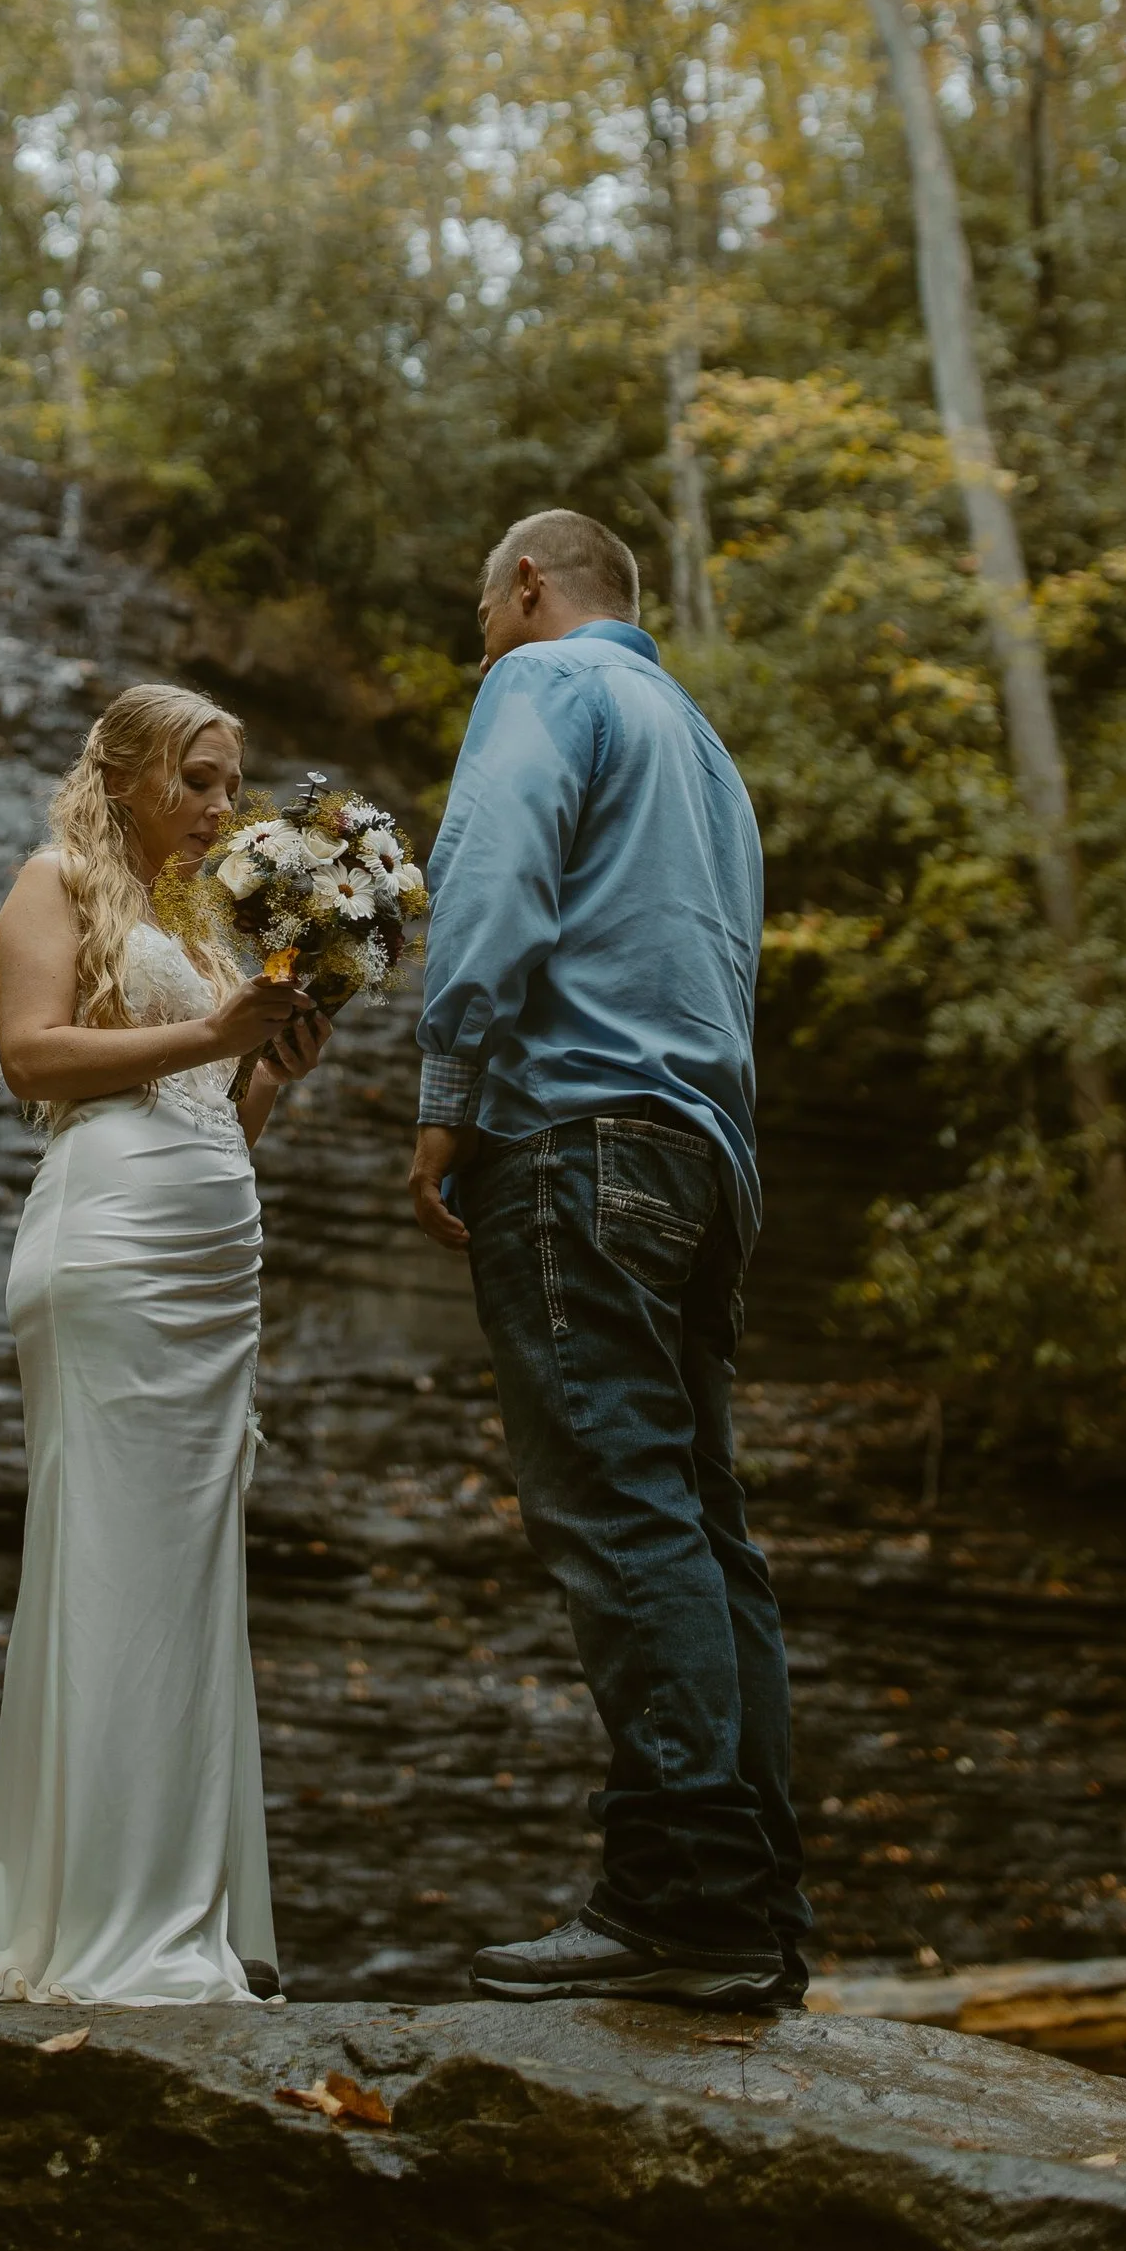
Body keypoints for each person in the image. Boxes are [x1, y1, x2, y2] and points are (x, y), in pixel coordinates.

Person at [0, 681, 327, 2008]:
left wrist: (266, 1070)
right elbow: (33, 1058)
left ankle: (165, 1902)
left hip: (211, 1262)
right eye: (199, 778)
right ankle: (100, 1918)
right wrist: (212, 1030)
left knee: (185, 1579)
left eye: (232, 779)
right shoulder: (54, 881)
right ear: (134, 773)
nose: (223, 804)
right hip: (108, 1251)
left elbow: (214, 1113)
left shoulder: (205, 920)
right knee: (111, 1563)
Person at [406, 509, 807, 2012]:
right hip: (705, 1156)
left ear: (528, 583)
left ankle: (685, 1894)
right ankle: (759, 1908)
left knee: (620, 1506)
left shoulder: (544, 686)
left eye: (483, 607)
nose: (481, 640)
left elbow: (499, 885)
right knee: (707, 1529)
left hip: (577, 1132)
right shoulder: (704, 749)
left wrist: (448, 1096)